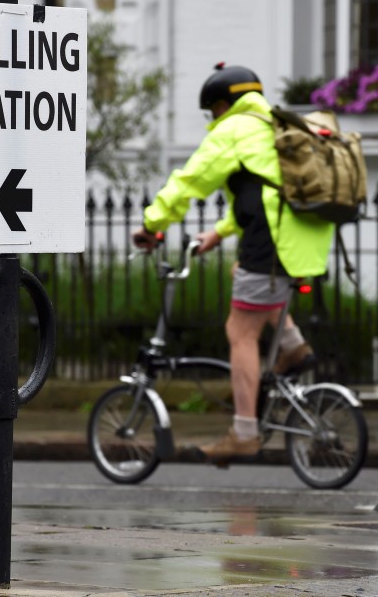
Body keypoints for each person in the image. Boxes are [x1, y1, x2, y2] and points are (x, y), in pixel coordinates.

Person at [132, 63, 335, 462]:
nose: (214, 118)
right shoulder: (270, 124)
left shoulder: (235, 128)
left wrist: (152, 223)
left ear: (224, 103)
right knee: (244, 277)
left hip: (270, 242)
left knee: (240, 331)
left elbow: (191, 180)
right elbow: (264, 191)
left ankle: (244, 431)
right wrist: (219, 233)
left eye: (213, 110)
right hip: (300, 240)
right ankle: (293, 346)